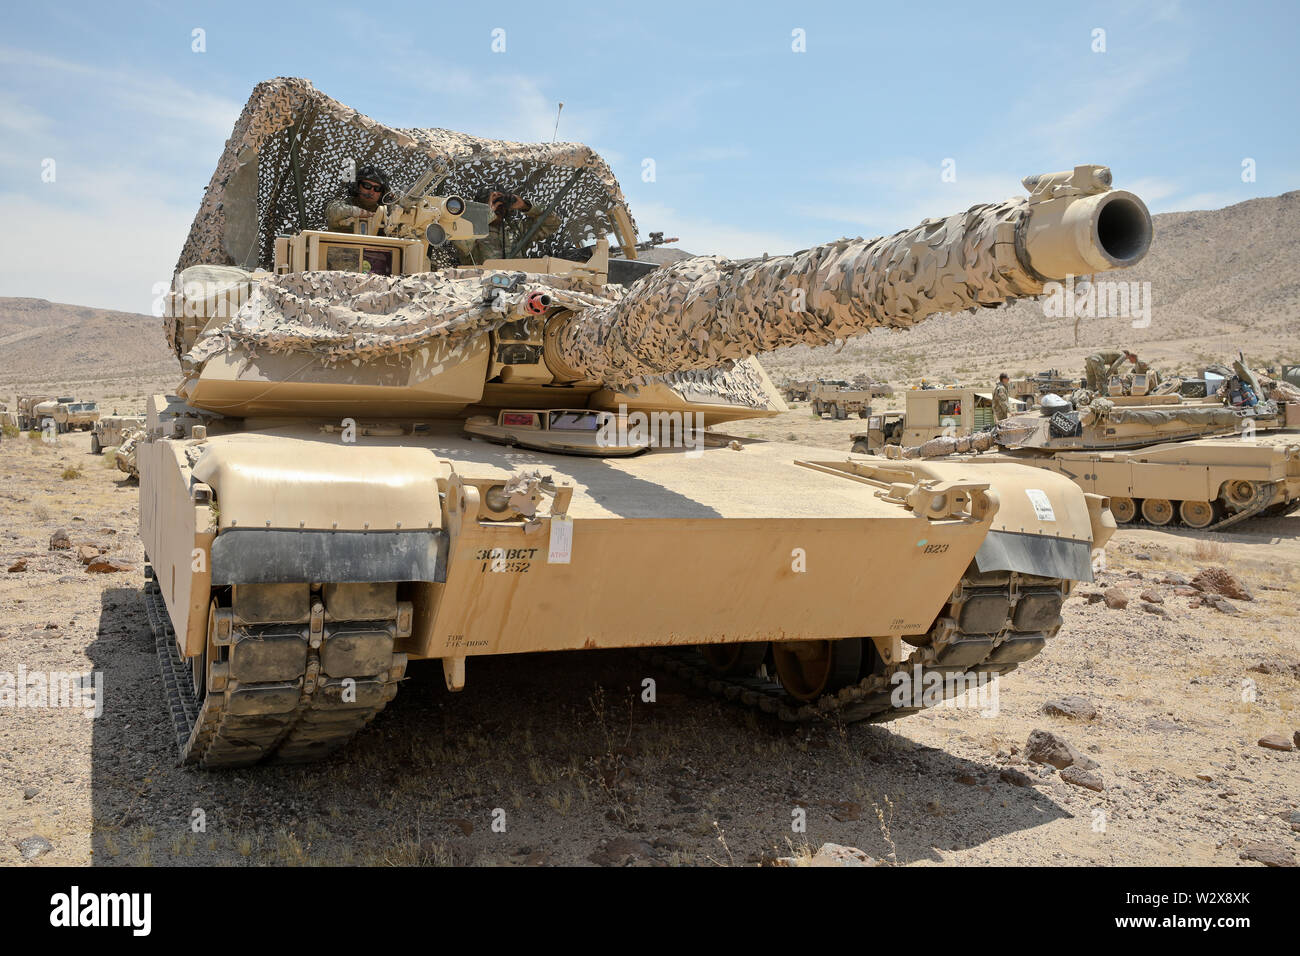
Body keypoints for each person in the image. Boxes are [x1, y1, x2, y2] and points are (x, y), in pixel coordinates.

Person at [452, 187, 560, 265]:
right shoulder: (468, 228)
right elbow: (463, 246)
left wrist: (525, 206)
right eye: (495, 203)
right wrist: (487, 214)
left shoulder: (516, 229)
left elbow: (552, 223)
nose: (499, 208)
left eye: (502, 205)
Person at [324, 166, 390, 234]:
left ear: (382, 193)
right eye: (367, 186)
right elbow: (333, 212)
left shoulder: (386, 213)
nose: (371, 192)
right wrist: (365, 214)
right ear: (357, 186)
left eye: (377, 188)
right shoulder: (343, 205)